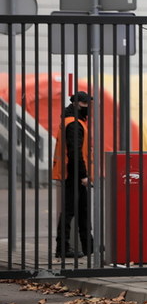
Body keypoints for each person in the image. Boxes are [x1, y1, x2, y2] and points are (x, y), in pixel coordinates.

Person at [53, 91, 93, 258]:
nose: (88, 108)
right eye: (85, 105)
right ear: (77, 104)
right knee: (69, 211)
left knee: (82, 210)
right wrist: (83, 175)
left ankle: (88, 245)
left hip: (73, 172)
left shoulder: (74, 121)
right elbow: (74, 152)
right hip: (73, 174)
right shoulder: (74, 124)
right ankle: (62, 248)